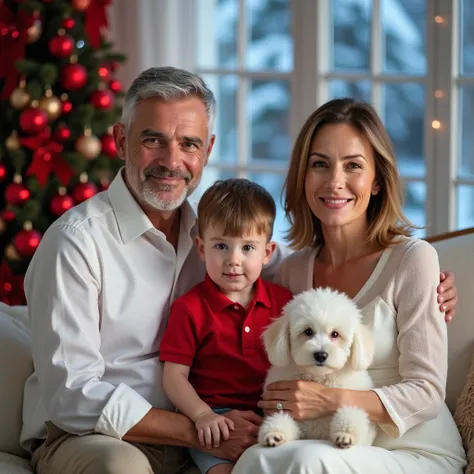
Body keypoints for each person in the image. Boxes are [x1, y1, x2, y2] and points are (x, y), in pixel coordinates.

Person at [19, 67, 458, 474]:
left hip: (219, 433)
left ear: (207, 149)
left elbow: (344, 295)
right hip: (100, 433)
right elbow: (71, 394)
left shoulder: (220, 243)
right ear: (120, 139)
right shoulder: (76, 242)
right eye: (153, 140)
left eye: (189, 143)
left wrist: (431, 283)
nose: (172, 160)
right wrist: (203, 429)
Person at [232, 98, 467, 474]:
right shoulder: (292, 270)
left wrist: (329, 400)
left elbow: (427, 394)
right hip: (324, 443)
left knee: (308, 462)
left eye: (353, 166)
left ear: (376, 181)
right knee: (258, 457)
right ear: (303, 177)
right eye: (319, 164)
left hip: (415, 450)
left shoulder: (412, 260)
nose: (334, 182)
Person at [159, 178, 294, 474]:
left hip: (274, 415)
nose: (233, 260)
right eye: (222, 246)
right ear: (202, 248)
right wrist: (202, 415)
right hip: (215, 420)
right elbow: (174, 376)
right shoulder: (189, 308)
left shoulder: (284, 303)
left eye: (247, 247)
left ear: (268, 252)